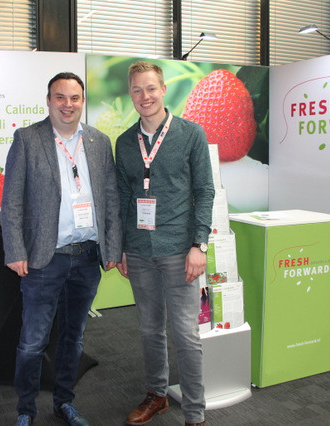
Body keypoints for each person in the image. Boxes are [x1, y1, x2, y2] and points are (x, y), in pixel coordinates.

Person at [1, 72, 123, 426]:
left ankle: (64, 403)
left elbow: (111, 199)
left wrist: (112, 247)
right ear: (49, 100)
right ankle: (25, 410)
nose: (68, 105)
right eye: (60, 97)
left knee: (73, 338)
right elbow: (11, 201)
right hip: (45, 259)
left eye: (74, 98)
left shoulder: (99, 142)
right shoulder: (27, 139)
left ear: (83, 101)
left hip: (86, 256)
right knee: (32, 342)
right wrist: (15, 250)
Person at [115, 61, 215, 426]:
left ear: (164, 90)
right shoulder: (125, 142)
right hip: (139, 251)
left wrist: (199, 245)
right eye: (137, 90)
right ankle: (157, 395)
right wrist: (122, 246)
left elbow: (205, 191)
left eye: (151, 88)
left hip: (179, 251)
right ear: (130, 94)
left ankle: (195, 413)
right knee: (149, 330)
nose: (145, 96)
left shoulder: (191, 134)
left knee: (186, 335)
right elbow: (123, 197)